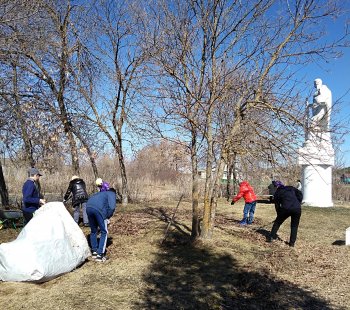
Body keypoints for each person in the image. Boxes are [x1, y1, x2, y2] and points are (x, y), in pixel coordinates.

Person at [267, 180, 303, 247]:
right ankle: (292, 243)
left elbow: (277, 205)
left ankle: (270, 237)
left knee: (277, 223)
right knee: (294, 226)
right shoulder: (291, 188)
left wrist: (278, 215)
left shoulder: (277, 193)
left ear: (276, 187)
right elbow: (300, 194)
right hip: (297, 209)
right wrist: (298, 202)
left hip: (286, 209)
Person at [86, 188, 117, 262]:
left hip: (88, 207)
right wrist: (107, 216)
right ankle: (100, 255)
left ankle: (94, 251)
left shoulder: (101, 193)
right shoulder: (112, 193)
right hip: (99, 210)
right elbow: (112, 207)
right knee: (104, 232)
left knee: (94, 230)